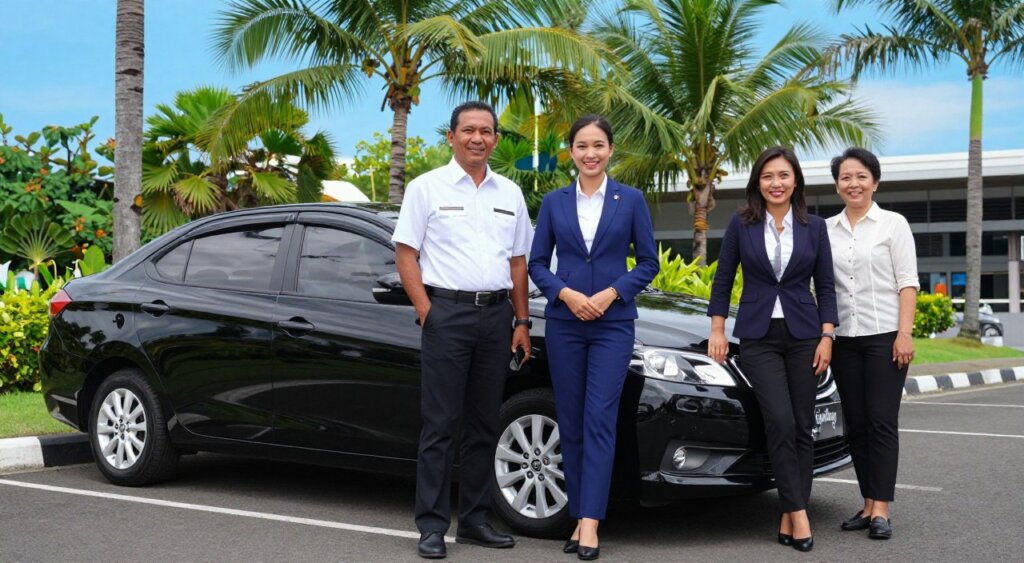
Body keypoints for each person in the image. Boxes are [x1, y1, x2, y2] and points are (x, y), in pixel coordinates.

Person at [392, 101, 534, 559]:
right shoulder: (425, 188)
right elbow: (406, 253)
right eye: (468, 130)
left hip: (496, 318)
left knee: (483, 424)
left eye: (486, 131)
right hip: (446, 315)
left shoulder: (510, 193)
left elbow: (518, 263)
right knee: (440, 425)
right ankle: (432, 525)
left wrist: (522, 321)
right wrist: (426, 310)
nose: (478, 138)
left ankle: (474, 519)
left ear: (495, 139)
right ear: (451, 137)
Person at [528, 114, 659, 561]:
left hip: (612, 325)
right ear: (571, 151)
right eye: (582, 145)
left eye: (598, 145)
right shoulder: (553, 202)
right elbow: (537, 263)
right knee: (571, 422)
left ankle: (589, 524)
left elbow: (647, 263)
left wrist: (609, 294)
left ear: (610, 150)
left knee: (600, 419)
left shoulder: (631, 200)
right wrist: (564, 293)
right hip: (565, 324)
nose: (590, 153)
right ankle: (580, 512)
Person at [707, 146, 837, 553]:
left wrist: (828, 335)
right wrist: (718, 329)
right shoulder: (740, 224)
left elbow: (827, 285)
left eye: (783, 175)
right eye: (767, 177)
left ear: (795, 180)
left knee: (802, 425)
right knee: (779, 420)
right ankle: (799, 513)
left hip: (804, 334)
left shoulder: (814, 227)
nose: (776, 183)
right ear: (757, 183)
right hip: (758, 335)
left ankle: (788, 513)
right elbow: (724, 277)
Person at [826, 147, 919, 540]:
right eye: (846, 177)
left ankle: (881, 509)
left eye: (861, 176)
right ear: (837, 185)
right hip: (844, 339)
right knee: (857, 425)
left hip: (885, 338)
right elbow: (822, 288)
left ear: (875, 181)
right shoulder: (825, 229)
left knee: (881, 422)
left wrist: (904, 333)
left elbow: (907, 282)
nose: (854, 183)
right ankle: (866, 505)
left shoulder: (893, 224)